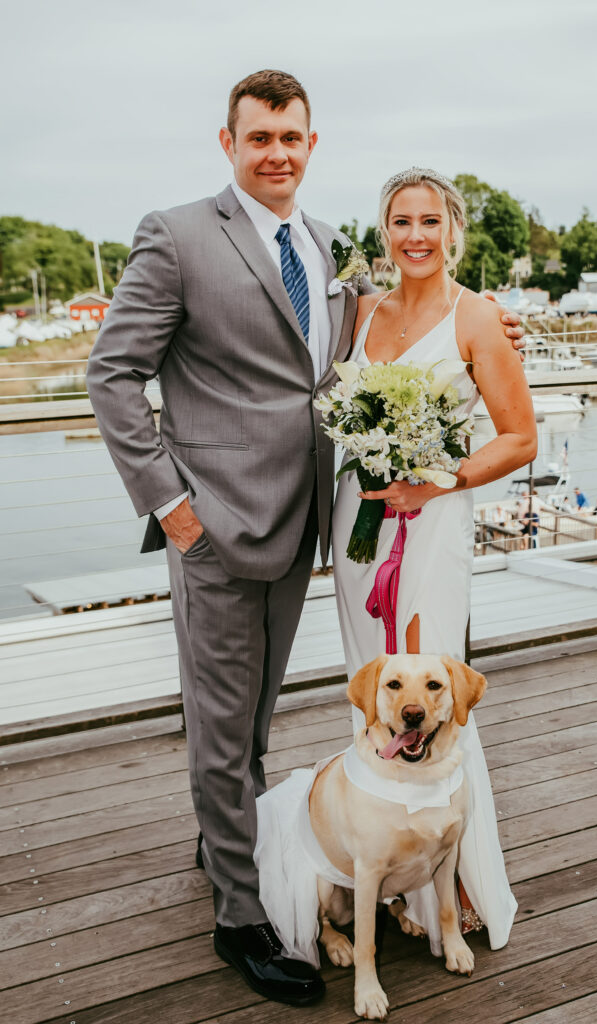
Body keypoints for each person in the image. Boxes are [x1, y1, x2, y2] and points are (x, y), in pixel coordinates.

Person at [86, 74, 526, 1005]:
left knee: (252, 721)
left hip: (305, 535)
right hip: (211, 527)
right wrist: (169, 504)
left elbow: (388, 330)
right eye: (259, 138)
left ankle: (235, 848)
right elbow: (112, 373)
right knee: (220, 726)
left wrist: (485, 322)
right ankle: (241, 917)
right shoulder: (176, 235)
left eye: (291, 136)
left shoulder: (325, 249)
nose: (276, 152)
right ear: (229, 142)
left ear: (311, 144)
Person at [332, 168, 538, 950]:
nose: (413, 236)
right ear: (383, 231)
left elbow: (518, 437)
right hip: (358, 526)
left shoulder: (477, 316)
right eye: (399, 222)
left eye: (428, 221)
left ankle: (451, 882)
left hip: (431, 523)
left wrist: (439, 479)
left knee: (433, 689)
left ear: (453, 230)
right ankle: (387, 867)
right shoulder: (360, 310)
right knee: (373, 691)